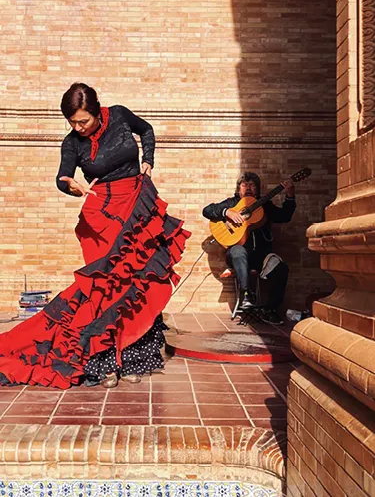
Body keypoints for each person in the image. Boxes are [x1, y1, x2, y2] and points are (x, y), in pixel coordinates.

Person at [0, 82, 190, 389]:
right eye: (72, 122)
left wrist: (148, 160)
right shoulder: (72, 143)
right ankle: (103, 364)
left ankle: (132, 359)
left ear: (97, 112)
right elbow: (63, 176)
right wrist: (69, 184)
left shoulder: (119, 116)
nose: (78, 127)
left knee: (138, 282)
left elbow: (147, 130)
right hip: (102, 214)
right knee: (106, 289)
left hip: (137, 202)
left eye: (83, 121)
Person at [202, 171, 296, 325]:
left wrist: (290, 195)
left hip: (261, 255)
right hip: (236, 254)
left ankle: (270, 310)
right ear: (238, 189)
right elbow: (207, 210)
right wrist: (227, 212)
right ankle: (246, 294)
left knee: (281, 267)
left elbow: (284, 216)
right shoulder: (232, 203)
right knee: (238, 251)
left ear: (258, 189)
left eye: (252, 185)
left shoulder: (264, 205)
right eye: (244, 185)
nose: (248, 188)